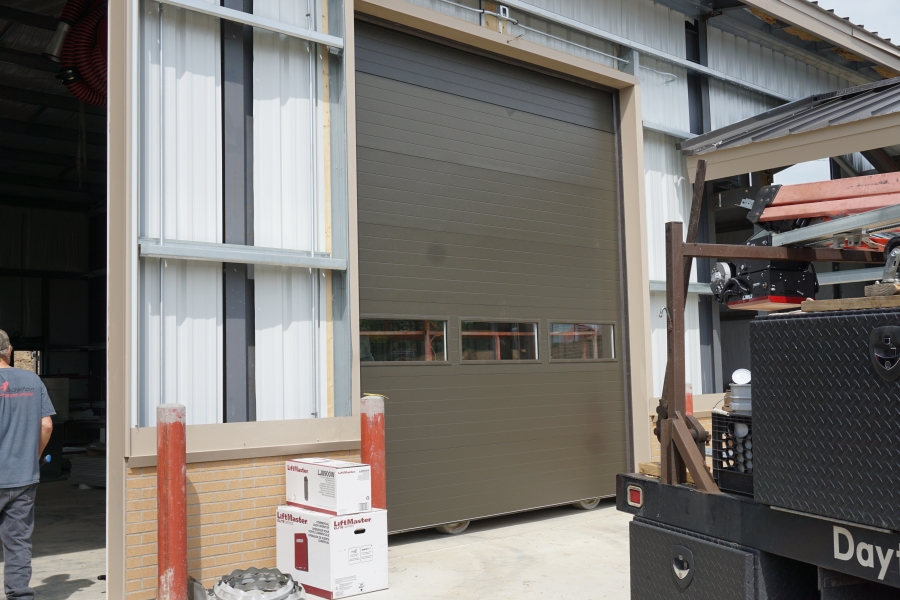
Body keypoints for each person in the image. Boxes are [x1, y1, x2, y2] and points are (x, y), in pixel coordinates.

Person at [0, 330, 54, 600]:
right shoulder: (33, 381)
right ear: (9, 350)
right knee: (18, 542)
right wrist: (33, 456)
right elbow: (46, 424)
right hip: (23, 476)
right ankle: (20, 595)